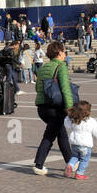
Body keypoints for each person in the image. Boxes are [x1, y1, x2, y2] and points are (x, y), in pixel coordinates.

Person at [32, 41, 75, 176]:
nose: (65, 55)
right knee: (49, 136)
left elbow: (37, 87)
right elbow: (65, 89)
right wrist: (70, 108)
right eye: (64, 52)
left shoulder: (43, 67)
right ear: (59, 52)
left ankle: (71, 161)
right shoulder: (61, 66)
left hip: (42, 108)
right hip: (55, 108)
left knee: (61, 134)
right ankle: (38, 164)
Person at [64, 100, 97, 180]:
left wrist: (68, 117)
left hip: (74, 143)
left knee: (75, 156)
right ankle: (79, 174)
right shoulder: (91, 121)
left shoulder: (74, 120)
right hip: (85, 144)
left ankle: (70, 165)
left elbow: (67, 125)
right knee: (84, 160)